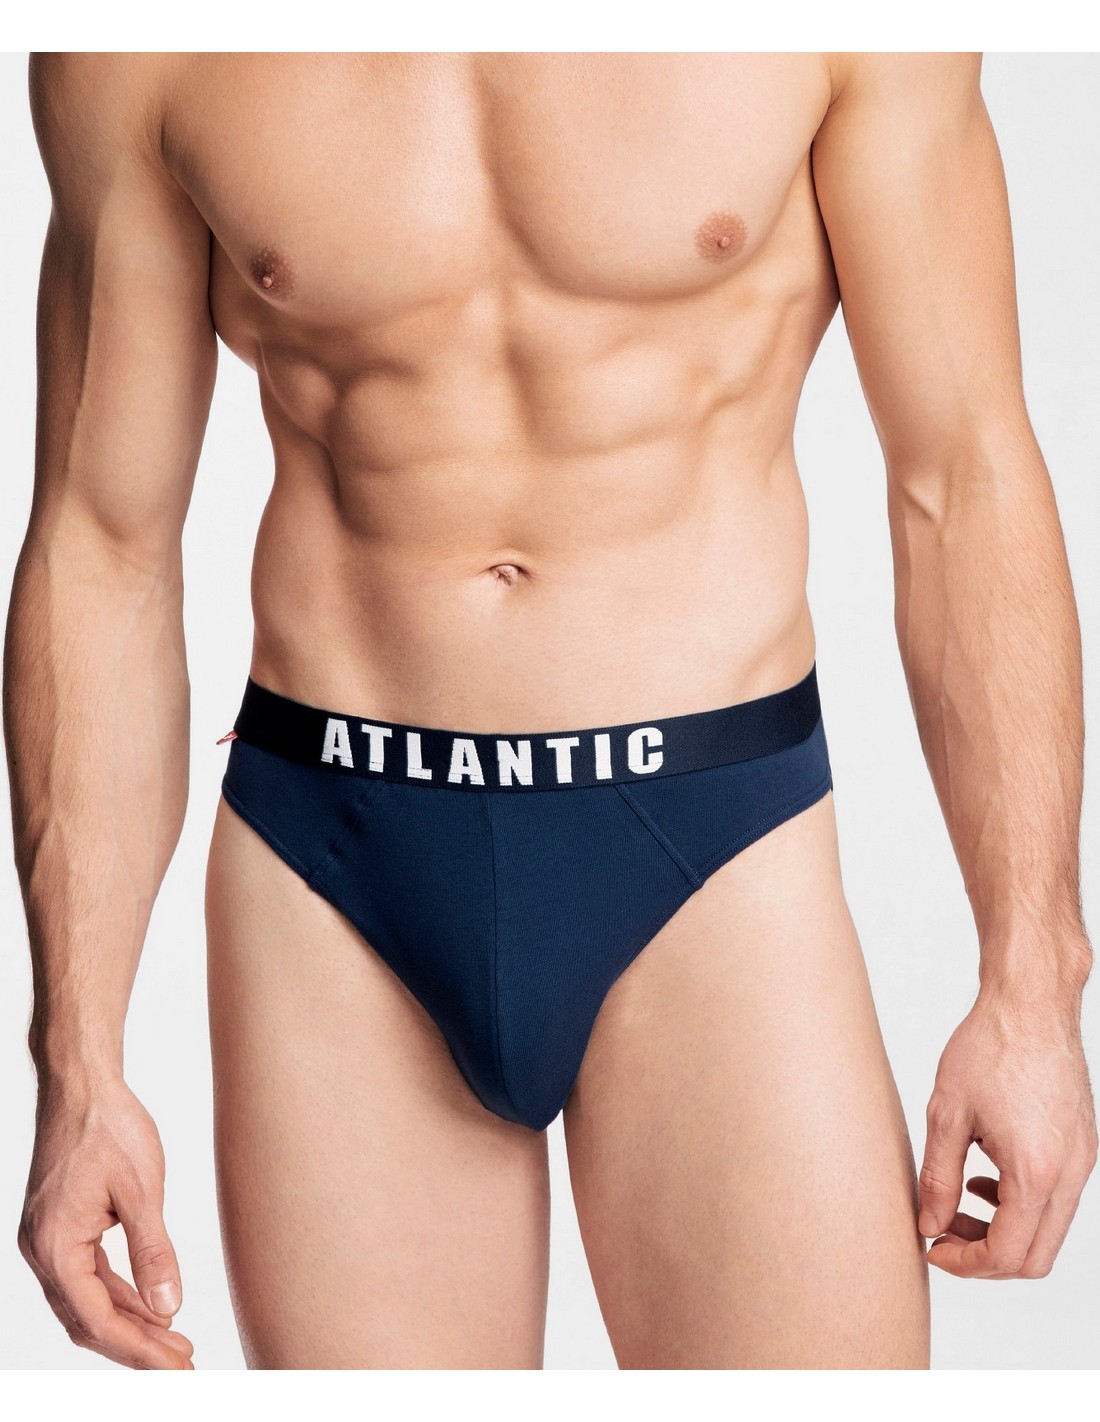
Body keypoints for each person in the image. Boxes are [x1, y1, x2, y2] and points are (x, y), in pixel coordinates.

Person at [6, 51, 1095, 1371]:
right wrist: (77, 1064)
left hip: (709, 840)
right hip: (336, 854)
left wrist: (1032, 986)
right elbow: (101, 540)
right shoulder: (145, 45)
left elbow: (962, 471)